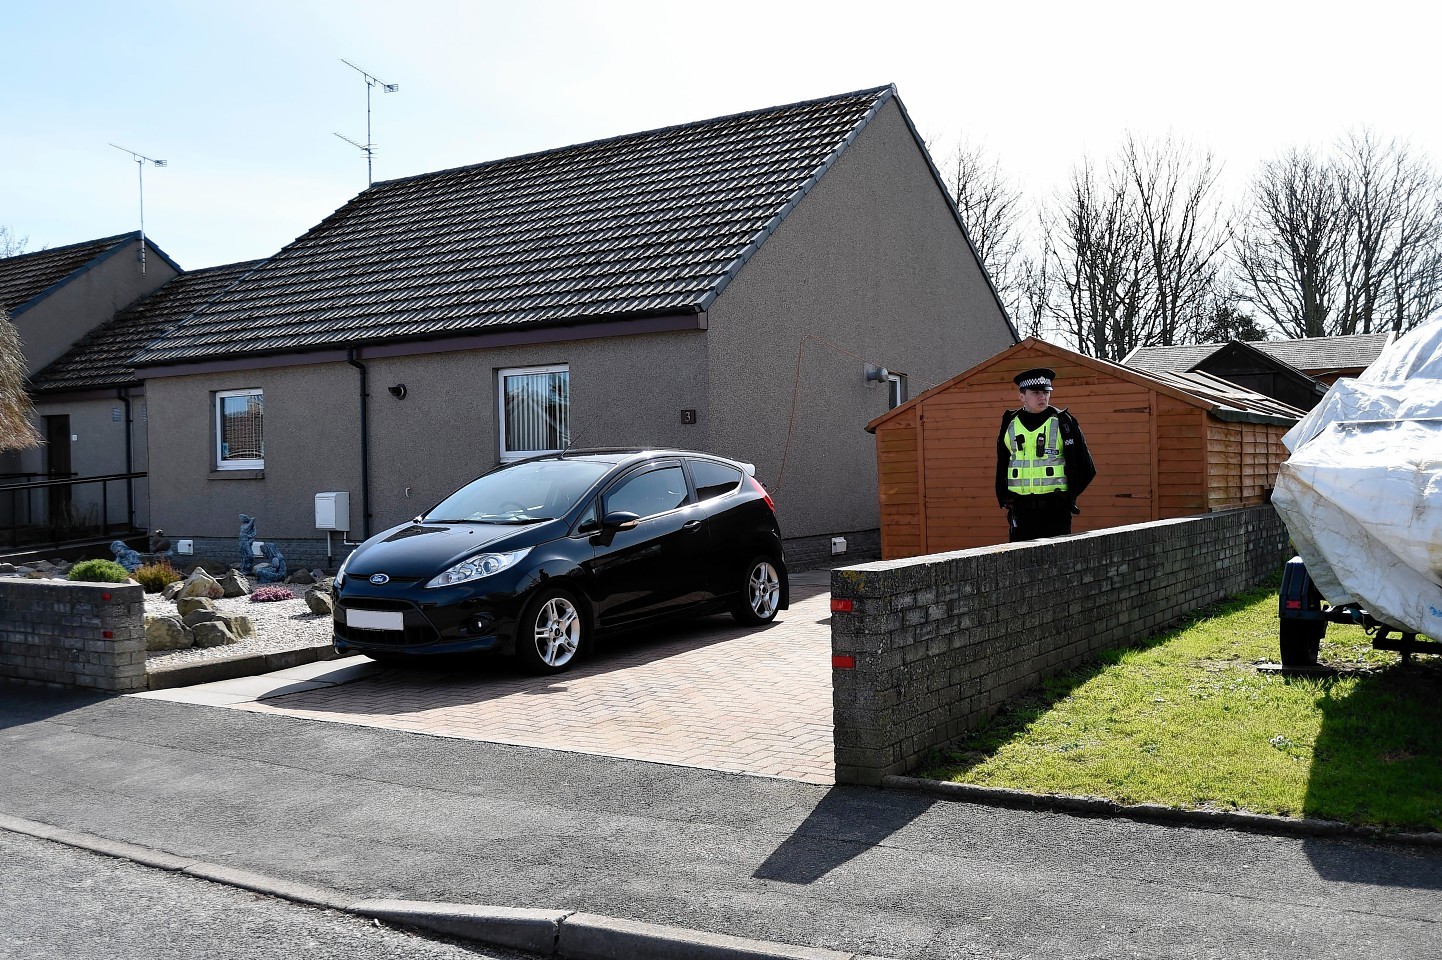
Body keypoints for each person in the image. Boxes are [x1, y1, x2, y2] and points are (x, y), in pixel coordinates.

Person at [996, 367, 1095, 542]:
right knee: (1021, 565)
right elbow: (1003, 464)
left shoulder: (1064, 422)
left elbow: (1086, 468)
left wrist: (1067, 498)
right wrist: (1004, 497)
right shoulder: (1010, 424)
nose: (1042, 397)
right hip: (1021, 511)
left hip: (1056, 511)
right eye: (1035, 392)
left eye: (1046, 392)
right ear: (1022, 396)